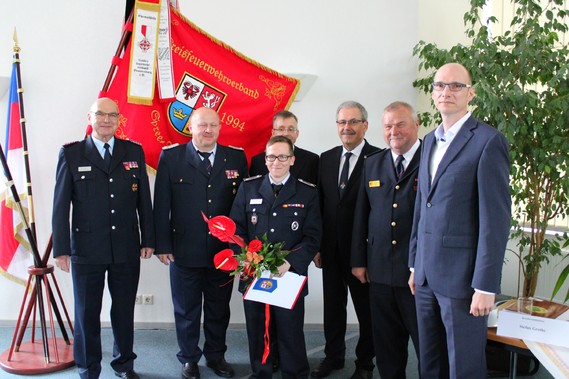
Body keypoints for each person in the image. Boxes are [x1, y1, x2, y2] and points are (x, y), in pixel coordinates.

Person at [408, 63, 511, 379]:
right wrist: (414, 264)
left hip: (463, 281)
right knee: (430, 364)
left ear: (471, 93)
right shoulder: (427, 141)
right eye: (440, 86)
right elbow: (421, 208)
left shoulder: (488, 141)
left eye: (455, 86)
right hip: (425, 277)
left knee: (464, 367)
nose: (446, 92)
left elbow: (495, 221)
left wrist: (485, 285)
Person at [52, 97, 155, 379]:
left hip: (125, 246)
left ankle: (124, 364)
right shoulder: (72, 154)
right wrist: (61, 249)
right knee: (87, 313)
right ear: (90, 117)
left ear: (119, 119)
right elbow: (60, 205)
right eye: (100, 114)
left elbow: (143, 200)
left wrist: (148, 239)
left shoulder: (133, 151)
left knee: (123, 310)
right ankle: (88, 367)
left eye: (112, 115)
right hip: (86, 249)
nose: (106, 120)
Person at [153, 107, 248, 379]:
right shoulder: (172, 157)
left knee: (219, 308)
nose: (208, 130)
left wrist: (239, 247)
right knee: (186, 309)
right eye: (202, 125)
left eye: (213, 125)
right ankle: (189, 359)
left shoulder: (236, 158)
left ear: (220, 128)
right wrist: (163, 245)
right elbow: (161, 204)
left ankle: (216, 356)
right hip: (184, 249)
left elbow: (241, 207)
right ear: (190, 128)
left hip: (224, 252)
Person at [230, 135, 322, 379]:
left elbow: (313, 236)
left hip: (288, 273)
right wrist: (246, 258)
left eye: (283, 156)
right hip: (254, 272)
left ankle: (295, 373)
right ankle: (260, 372)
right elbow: (236, 230)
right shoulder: (249, 187)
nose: (276, 162)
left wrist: (289, 261)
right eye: (271, 156)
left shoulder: (307, 192)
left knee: (290, 330)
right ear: (265, 159)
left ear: (292, 159)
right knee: (257, 328)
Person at [351, 101, 421, 379]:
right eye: (388, 126)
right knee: (387, 347)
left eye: (401, 124)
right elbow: (361, 215)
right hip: (379, 271)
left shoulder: (431, 159)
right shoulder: (373, 163)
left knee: (427, 346)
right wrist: (358, 261)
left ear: (416, 125)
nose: (394, 131)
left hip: (417, 273)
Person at [313, 101, 380, 379]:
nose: (347, 128)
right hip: (330, 250)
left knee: (367, 312)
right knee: (333, 308)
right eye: (342, 122)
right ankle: (333, 357)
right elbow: (319, 205)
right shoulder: (325, 158)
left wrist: (367, 254)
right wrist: (317, 246)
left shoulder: (379, 158)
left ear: (365, 125)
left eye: (353, 122)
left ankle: (365, 363)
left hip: (363, 253)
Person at [249, 110, 319, 184]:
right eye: (281, 129)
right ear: (273, 133)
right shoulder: (258, 161)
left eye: (291, 129)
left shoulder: (312, 160)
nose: (286, 133)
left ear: (297, 133)